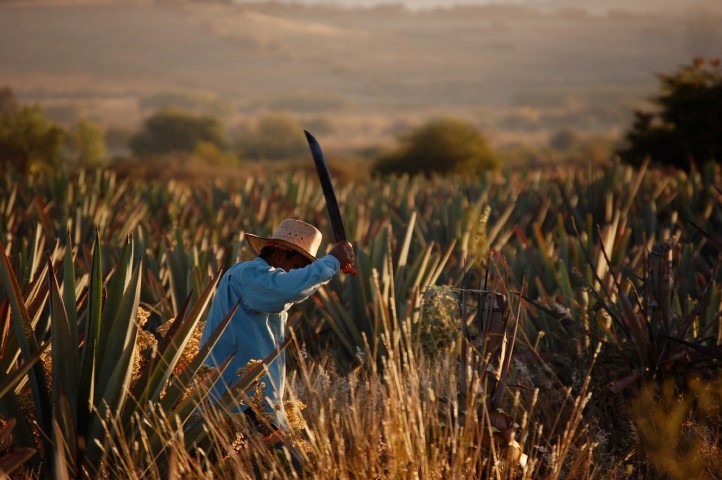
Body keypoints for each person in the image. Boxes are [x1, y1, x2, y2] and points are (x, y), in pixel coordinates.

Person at [199, 218, 355, 431]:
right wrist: (332, 261)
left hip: (253, 406)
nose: (295, 275)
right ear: (280, 253)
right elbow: (288, 287)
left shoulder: (264, 282)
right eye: (297, 267)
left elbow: (293, 287)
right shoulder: (249, 274)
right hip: (238, 408)